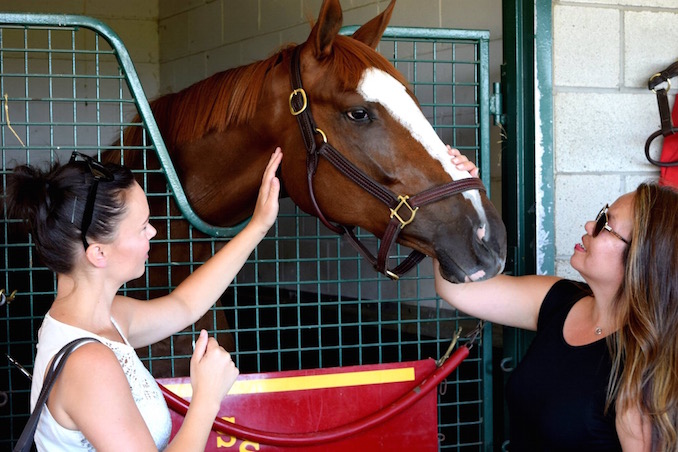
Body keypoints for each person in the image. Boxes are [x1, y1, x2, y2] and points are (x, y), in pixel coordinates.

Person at [5, 147, 283, 451]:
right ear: (98, 253)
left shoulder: (105, 316)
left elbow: (185, 305)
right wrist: (207, 398)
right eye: (141, 227)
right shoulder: (88, 364)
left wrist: (258, 225)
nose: (152, 232)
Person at [437, 147, 678, 451]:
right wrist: (454, 200)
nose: (590, 225)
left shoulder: (643, 371)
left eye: (606, 224)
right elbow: (458, 288)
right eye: (600, 215)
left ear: (644, 257)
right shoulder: (561, 299)